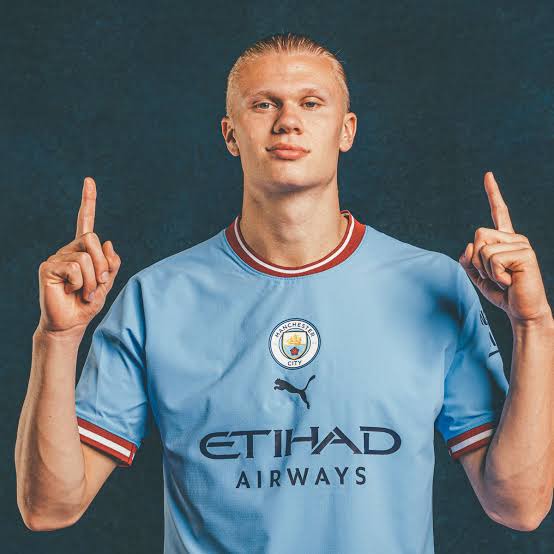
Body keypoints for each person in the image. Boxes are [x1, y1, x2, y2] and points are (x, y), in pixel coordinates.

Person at [15, 32, 554, 553]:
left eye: (311, 103)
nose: (288, 120)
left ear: (346, 130)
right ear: (230, 134)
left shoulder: (434, 285)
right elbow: (49, 508)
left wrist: (534, 326)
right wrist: (56, 338)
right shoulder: (156, 299)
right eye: (263, 104)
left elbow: (519, 506)